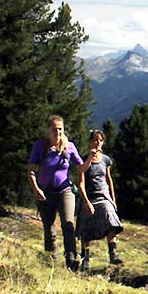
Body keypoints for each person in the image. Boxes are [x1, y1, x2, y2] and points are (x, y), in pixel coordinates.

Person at [28, 115, 95, 271]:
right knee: (49, 229)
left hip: (65, 191)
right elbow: (31, 170)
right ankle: (51, 262)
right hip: (45, 193)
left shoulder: (69, 146)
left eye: (60, 129)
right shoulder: (41, 146)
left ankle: (71, 260)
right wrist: (36, 189)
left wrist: (90, 158)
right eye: (54, 129)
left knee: (68, 225)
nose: (57, 132)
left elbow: (81, 168)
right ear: (48, 130)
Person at [76, 129, 123, 271]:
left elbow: (108, 180)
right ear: (90, 141)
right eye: (95, 140)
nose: (98, 143)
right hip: (89, 197)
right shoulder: (83, 159)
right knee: (85, 223)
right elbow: (81, 183)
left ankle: (113, 253)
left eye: (100, 140)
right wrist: (86, 201)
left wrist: (113, 199)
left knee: (110, 218)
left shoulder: (106, 159)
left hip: (104, 196)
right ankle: (85, 257)